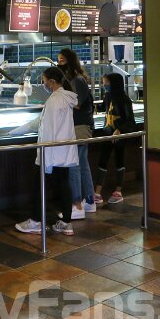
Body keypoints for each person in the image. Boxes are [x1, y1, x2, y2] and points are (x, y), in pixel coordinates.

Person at [11, 66, 78, 236]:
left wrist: (45, 160)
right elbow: (42, 122)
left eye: (44, 81)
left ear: (52, 82)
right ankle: (66, 223)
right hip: (63, 152)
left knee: (39, 187)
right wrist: (16, 131)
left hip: (51, 154)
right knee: (64, 186)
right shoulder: (65, 98)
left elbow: (48, 130)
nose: (43, 84)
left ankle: (35, 222)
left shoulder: (54, 101)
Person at [58, 48, 96, 218]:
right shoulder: (75, 80)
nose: (59, 63)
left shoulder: (77, 80)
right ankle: (89, 201)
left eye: (62, 60)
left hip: (79, 127)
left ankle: (77, 205)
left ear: (70, 61)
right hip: (80, 126)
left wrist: (59, 98)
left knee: (74, 165)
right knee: (82, 163)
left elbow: (77, 103)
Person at [94, 73, 135, 204]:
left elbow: (130, 120)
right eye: (104, 82)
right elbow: (103, 108)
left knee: (119, 161)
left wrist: (119, 129)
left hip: (119, 135)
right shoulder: (108, 96)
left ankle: (118, 191)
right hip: (108, 132)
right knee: (102, 161)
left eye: (107, 83)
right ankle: (97, 193)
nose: (104, 85)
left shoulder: (124, 99)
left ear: (114, 83)